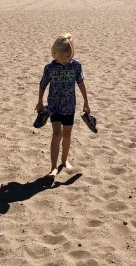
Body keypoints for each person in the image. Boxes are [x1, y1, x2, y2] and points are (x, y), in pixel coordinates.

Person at [35, 33, 90, 177]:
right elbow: (43, 84)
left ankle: (64, 161)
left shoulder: (76, 66)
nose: (66, 60)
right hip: (54, 106)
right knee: (56, 134)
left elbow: (81, 83)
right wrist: (40, 101)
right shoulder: (49, 68)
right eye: (63, 57)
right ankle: (53, 167)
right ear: (56, 53)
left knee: (67, 135)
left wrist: (86, 101)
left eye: (69, 57)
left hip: (69, 106)